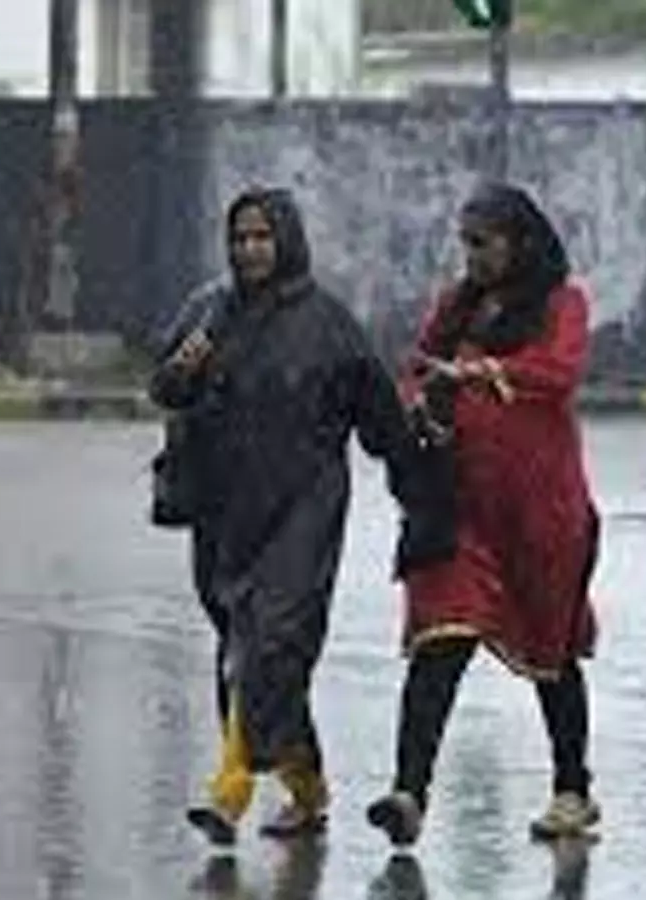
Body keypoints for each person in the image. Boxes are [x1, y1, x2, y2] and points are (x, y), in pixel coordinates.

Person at [149, 186, 419, 846]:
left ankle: (230, 788)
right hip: (225, 510)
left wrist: (426, 489)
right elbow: (165, 389)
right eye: (240, 238)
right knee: (249, 653)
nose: (249, 249)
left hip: (304, 508)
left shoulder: (328, 322)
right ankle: (307, 787)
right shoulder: (209, 311)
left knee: (269, 644)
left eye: (263, 237)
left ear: (288, 240)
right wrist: (182, 371)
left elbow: (381, 418)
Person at [365, 181, 604, 847]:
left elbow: (557, 373)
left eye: (483, 244)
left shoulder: (563, 304)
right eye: (465, 245)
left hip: (540, 512)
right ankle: (409, 791)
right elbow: (416, 367)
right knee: (439, 640)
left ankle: (572, 790)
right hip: (462, 509)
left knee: (550, 650)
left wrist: (481, 372)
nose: (471, 258)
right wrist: (425, 399)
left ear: (520, 241)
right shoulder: (457, 306)